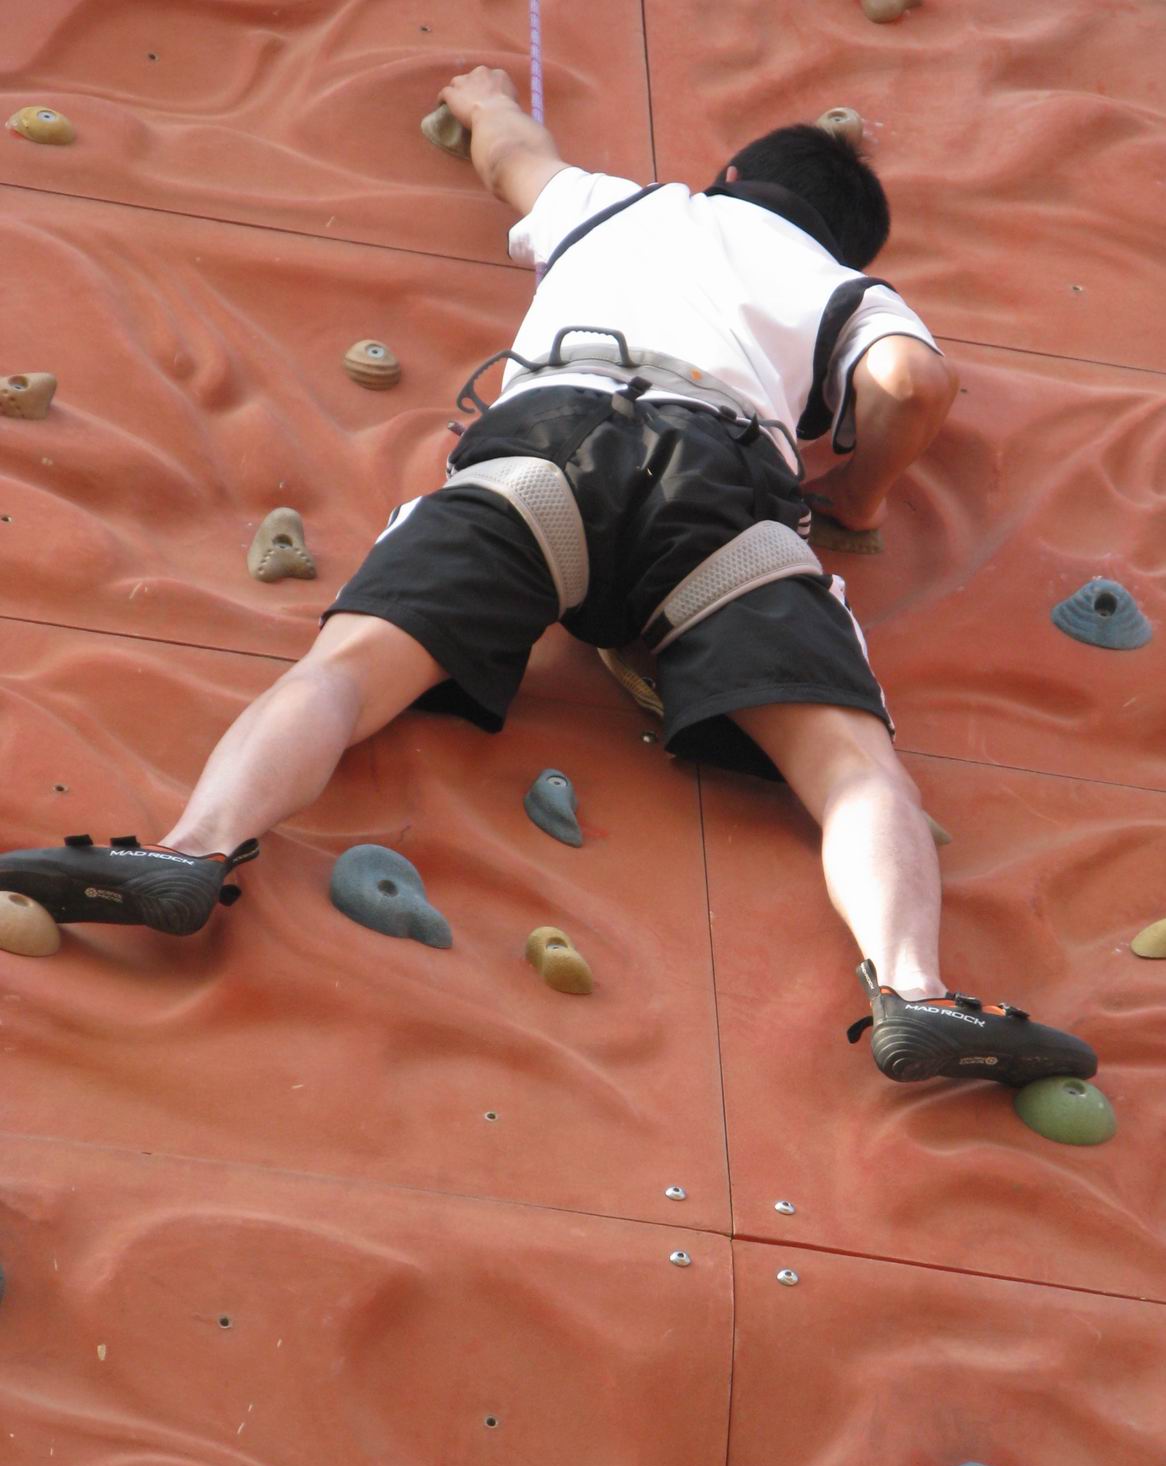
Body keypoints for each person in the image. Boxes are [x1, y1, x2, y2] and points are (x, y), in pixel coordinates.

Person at [0, 67, 1096, 1088]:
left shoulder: (621, 206)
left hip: (546, 448)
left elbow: (511, 155)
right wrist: (855, 496)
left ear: (728, 175)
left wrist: (481, 98)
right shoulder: (844, 287)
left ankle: (190, 848)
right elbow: (911, 384)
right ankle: (914, 989)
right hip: (719, 487)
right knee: (852, 769)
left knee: (345, 672)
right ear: (843, 238)